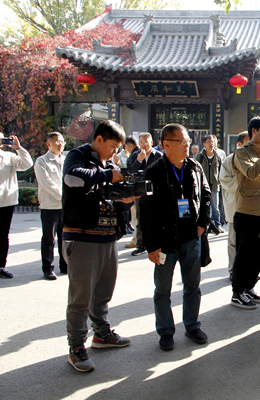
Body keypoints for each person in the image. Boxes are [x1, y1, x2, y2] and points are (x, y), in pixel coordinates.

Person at [62, 120, 135, 373]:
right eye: (112, 146)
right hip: (82, 237)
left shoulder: (109, 164)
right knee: (80, 297)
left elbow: (111, 200)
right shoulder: (77, 155)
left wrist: (125, 200)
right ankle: (76, 347)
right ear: (99, 139)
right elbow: (72, 178)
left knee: (103, 291)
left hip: (106, 237)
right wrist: (107, 175)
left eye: (118, 148)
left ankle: (101, 334)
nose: (115, 152)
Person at [140, 123, 211, 352]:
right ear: (166, 144)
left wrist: (202, 225)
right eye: (182, 141)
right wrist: (151, 246)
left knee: (193, 286)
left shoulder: (195, 166)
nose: (187, 145)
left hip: (192, 237)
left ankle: (192, 325)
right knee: (163, 290)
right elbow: (146, 211)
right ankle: (166, 331)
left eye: (188, 141)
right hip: (164, 241)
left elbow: (207, 196)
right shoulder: (154, 170)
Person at [230, 117, 260, 309]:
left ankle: (249, 287)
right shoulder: (242, 153)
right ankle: (237, 292)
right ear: (254, 131)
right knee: (244, 254)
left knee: (258, 255)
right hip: (247, 211)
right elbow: (251, 173)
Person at [34, 132, 67, 280]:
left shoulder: (66, 160)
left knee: (64, 237)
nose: (60, 144)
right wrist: (63, 197)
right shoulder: (42, 161)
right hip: (50, 206)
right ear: (49, 144)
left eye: (62, 142)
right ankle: (48, 268)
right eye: (57, 142)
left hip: (64, 206)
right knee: (49, 238)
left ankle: (65, 265)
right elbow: (47, 184)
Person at [0, 132, 33, 279]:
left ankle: (1, 266)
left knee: (3, 236)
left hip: (7, 201)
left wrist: (18, 148)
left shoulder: (10, 156)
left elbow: (27, 164)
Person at [219, 131, 249, 279]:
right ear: (239, 144)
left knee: (251, 241)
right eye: (248, 142)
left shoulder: (258, 159)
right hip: (236, 205)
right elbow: (224, 181)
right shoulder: (230, 160)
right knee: (234, 241)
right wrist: (244, 181)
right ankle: (233, 270)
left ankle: (249, 269)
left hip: (253, 207)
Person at [127, 132, 162, 255]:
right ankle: (140, 245)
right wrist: (138, 160)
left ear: (151, 143)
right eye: (141, 143)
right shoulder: (135, 155)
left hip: (155, 191)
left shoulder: (158, 155)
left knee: (156, 217)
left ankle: (156, 244)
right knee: (140, 219)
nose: (143, 145)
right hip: (139, 192)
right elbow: (130, 170)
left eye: (145, 142)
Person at [195, 134, 224, 234]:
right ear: (204, 144)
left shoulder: (218, 156)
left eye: (213, 142)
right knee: (203, 206)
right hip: (203, 186)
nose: (211, 144)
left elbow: (221, 171)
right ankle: (205, 225)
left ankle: (217, 225)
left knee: (216, 207)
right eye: (209, 142)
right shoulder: (199, 157)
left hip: (215, 185)